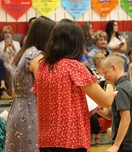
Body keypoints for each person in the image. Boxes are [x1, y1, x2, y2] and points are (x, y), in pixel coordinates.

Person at [34, 19, 115, 152]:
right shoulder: (73, 66)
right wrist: (110, 82)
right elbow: (106, 101)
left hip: (46, 140)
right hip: (71, 140)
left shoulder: (43, 66)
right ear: (76, 43)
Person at [5, 16, 56, 152]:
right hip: (30, 111)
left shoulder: (26, 51)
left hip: (20, 108)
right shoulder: (36, 55)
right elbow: (46, 85)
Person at [98, 54, 132, 152]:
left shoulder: (120, 88)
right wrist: (96, 107)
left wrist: (116, 145)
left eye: (105, 73)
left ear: (113, 67)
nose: (105, 77)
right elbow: (110, 115)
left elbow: (126, 118)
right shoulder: (127, 85)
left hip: (126, 144)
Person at [0, 25, 21, 96]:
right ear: (3, 34)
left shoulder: (16, 43)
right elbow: (1, 59)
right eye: (5, 32)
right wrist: (5, 48)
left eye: (9, 32)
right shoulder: (1, 44)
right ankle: (12, 92)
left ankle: (15, 92)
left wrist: (13, 48)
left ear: (11, 33)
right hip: (6, 64)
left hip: (15, 63)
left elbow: (19, 56)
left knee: (14, 69)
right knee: (12, 71)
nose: (7, 34)